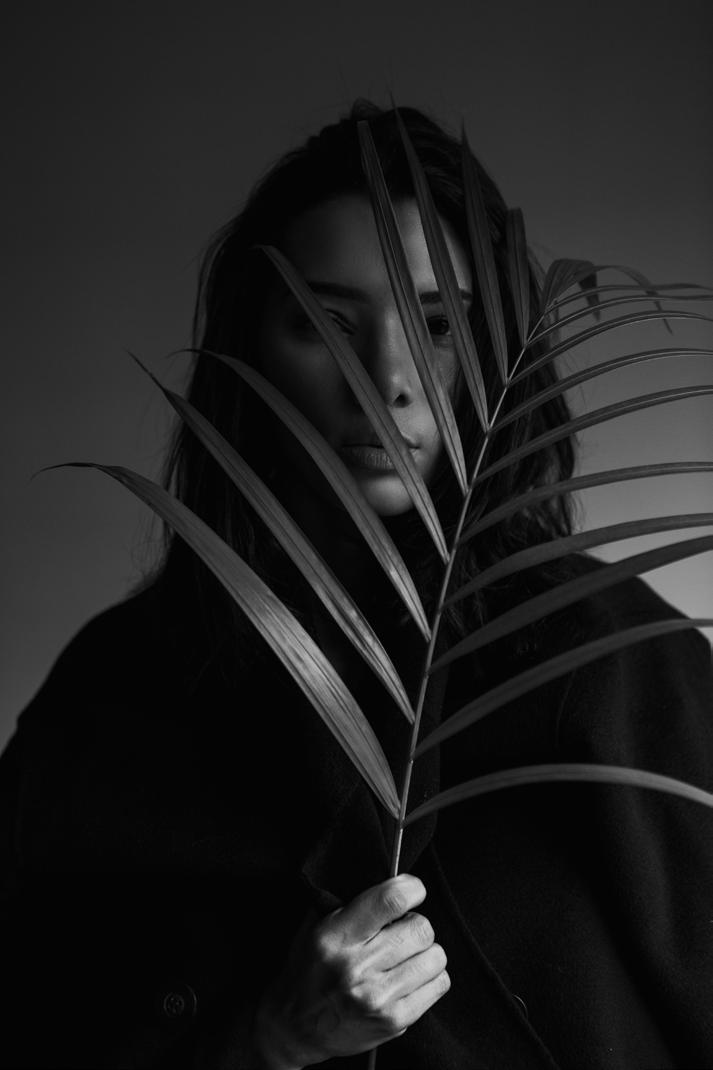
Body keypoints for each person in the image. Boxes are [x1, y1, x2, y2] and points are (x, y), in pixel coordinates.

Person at [1, 100, 712, 1070]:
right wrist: (267, 1036)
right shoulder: (115, 693)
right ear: (250, 350)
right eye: (323, 325)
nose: (385, 377)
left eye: (437, 325)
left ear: (498, 352)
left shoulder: (612, 662)